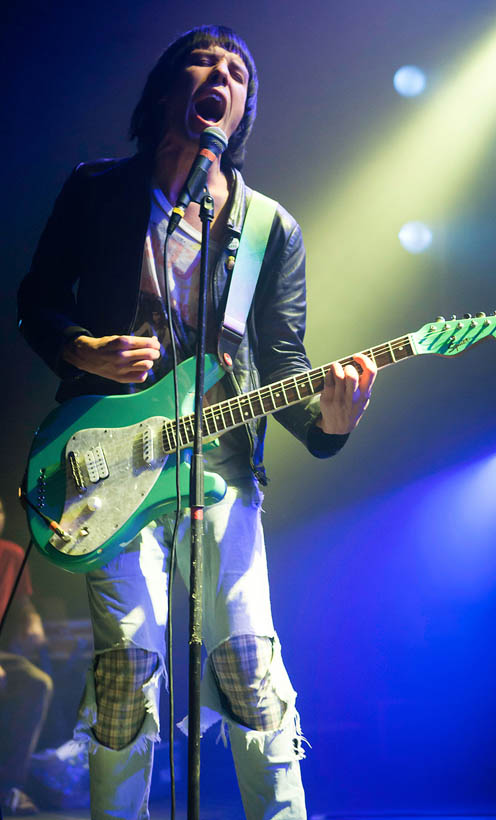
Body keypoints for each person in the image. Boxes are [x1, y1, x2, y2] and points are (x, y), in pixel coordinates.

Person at [17, 25, 376, 820]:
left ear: (242, 110)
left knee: (247, 666)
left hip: (224, 469)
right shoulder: (97, 190)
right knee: (126, 672)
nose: (221, 75)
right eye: (202, 62)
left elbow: (280, 358)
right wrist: (85, 351)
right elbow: (37, 300)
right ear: (166, 92)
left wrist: (330, 421)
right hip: (110, 462)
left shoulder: (269, 228)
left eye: (238, 73)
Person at [0, 498, 53, 817]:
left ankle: (8, 788)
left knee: (37, 683)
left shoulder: (12, 555)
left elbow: (23, 605)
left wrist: (33, 624)